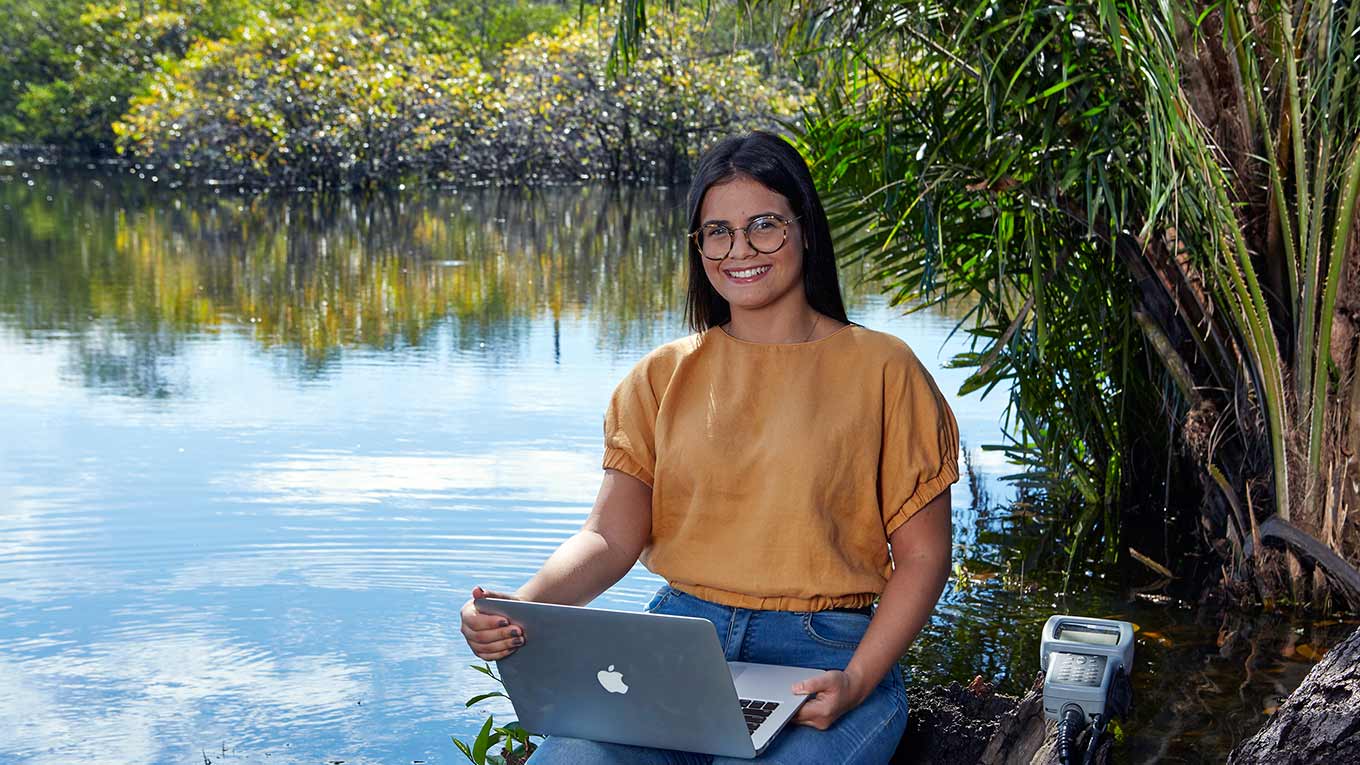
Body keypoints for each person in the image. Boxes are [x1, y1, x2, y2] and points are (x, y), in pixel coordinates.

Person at [459, 130, 958, 764]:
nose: (739, 249)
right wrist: (519, 606)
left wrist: (858, 680)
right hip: (674, 651)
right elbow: (610, 537)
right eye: (717, 232)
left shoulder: (885, 369)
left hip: (824, 657)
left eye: (763, 225)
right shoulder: (662, 377)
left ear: (804, 228)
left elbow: (922, 557)